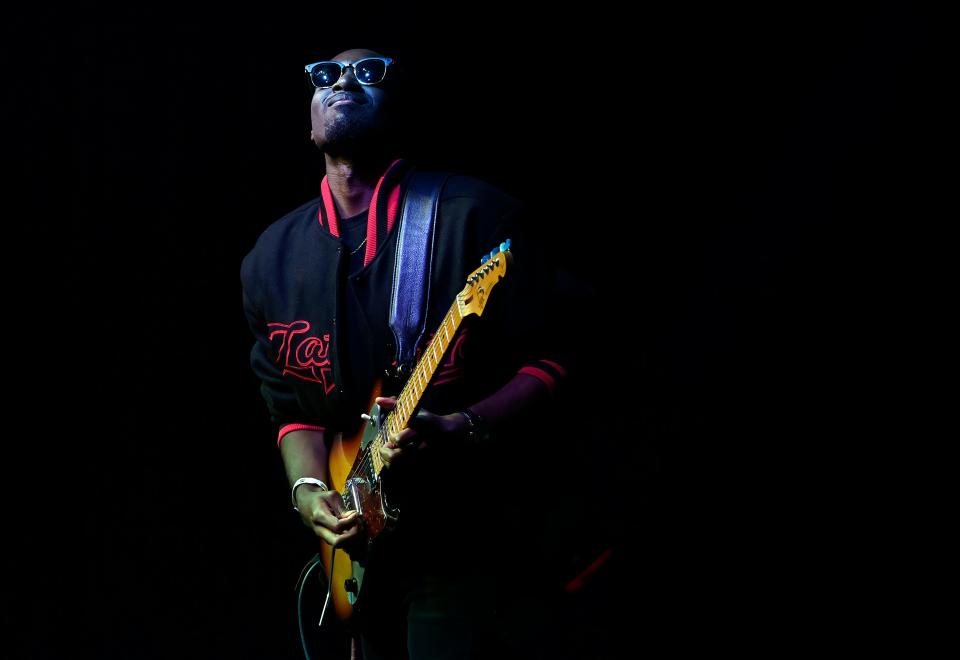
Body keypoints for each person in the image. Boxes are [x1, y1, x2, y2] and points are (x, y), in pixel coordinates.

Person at [240, 47, 574, 660]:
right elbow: (291, 408)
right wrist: (310, 489)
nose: (342, 79)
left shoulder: (475, 216)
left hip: (473, 549)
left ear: (402, 106)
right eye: (325, 74)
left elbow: (555, 360)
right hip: (359, 561)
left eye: (369, 71)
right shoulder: (270, 259)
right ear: (309, 120)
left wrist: (465, 426)